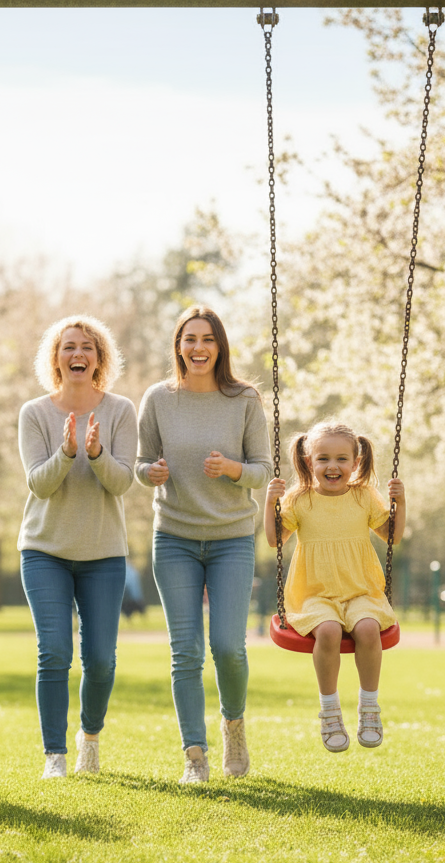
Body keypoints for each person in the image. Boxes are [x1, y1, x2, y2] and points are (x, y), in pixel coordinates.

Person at [136, 305, 273, 784]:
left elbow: (264, 470)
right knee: (186, 650)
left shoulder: (244, 400)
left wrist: (234, 470)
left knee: (228, 647)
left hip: (232, 539)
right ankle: (195, 756)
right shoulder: (157, 399)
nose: (198, 348)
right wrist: (148, 473)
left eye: (207, 339)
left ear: (220, 346)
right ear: (178, 345)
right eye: (189, 338)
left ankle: (233, 725)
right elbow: (139, 462)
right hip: (174, 537)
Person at [18, 315, 137, 779]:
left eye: (87, 347)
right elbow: (39, 486)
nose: (78, 355)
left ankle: (89, 737)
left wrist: (96, 454)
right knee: (53, 652)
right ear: (56, 359)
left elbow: (123, 482)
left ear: (99, 359)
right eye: (69, 347)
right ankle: (55, 755)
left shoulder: (121, 411)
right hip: (44, 550)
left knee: (101, 660)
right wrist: (67, 453)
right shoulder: (35, 413)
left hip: (103, 554)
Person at [264, 421, 405, 754]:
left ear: (355, 462)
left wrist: (401, 502)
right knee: (327, 631)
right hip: (314, 595)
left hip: (361, 591)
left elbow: (392, 536)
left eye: (342, 459)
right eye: (323, 458)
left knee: (369, 629)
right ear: (309, 461)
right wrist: (271, 503)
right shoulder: (299, 499)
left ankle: (369, 708)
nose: (332, 466)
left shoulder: (363, 496)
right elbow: (274, 541)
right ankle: (329, 711)